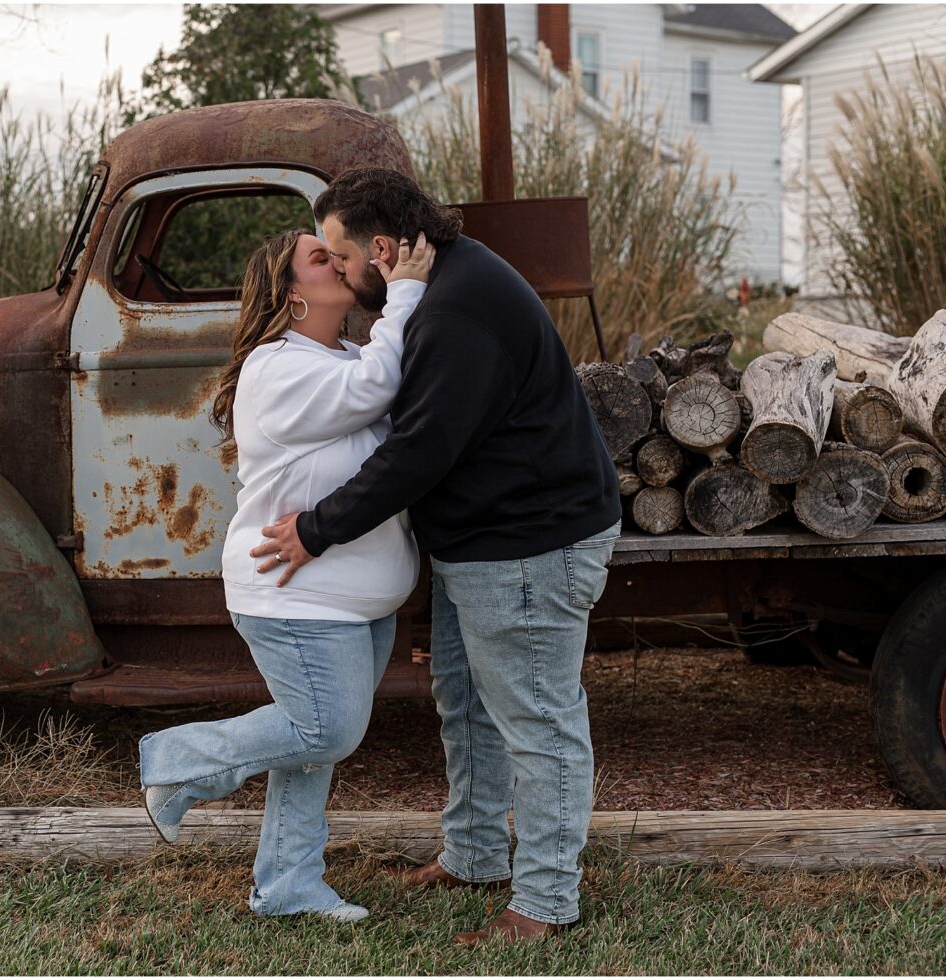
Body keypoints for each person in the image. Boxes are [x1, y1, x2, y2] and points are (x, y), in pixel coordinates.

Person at [252, 168, 622, 945]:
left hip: (529, 542)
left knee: (539, 722)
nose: (341, 272)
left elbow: (419, 452)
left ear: (381, 250)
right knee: (465, 701)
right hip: (481, 539)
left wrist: (318, 528)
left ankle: (547, 904)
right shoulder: (444, 283)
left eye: (340, 256)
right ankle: (476, 854)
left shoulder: (458, 310)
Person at [137, 227, 436, 923]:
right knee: (326, 730)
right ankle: (174, 763)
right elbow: (374, 389)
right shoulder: (278, 365)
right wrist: (407, 290)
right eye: (319, 256)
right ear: (291, 293)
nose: (337, 261)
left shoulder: (352, 352)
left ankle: (287, 885)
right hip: (294, 592)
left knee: (311, 750)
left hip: (358, 595)